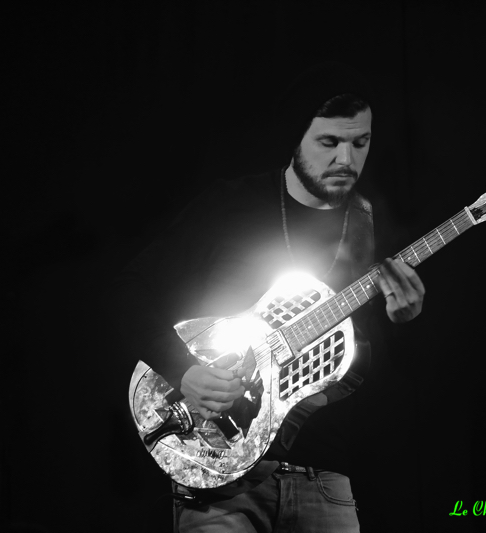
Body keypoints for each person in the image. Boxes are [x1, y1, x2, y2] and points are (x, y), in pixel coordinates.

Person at [116, 62, 425, 532]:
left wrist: (404, 324)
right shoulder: (231, 204)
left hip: (325, 477)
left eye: (360, 143)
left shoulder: (371, 229)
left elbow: (380, 375)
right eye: (329, 142)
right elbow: (129, 290)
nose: (346, 159)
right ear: (296, 137)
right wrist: (182, 370)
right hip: (217, 476)